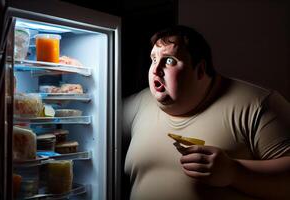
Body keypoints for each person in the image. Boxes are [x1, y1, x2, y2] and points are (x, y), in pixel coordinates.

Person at [122, 25, 290, 200]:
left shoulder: (258, 104)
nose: (155, 70)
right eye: (154, 59)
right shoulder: (138, 104)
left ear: (200, 70)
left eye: (169, 60)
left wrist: (235, 173)